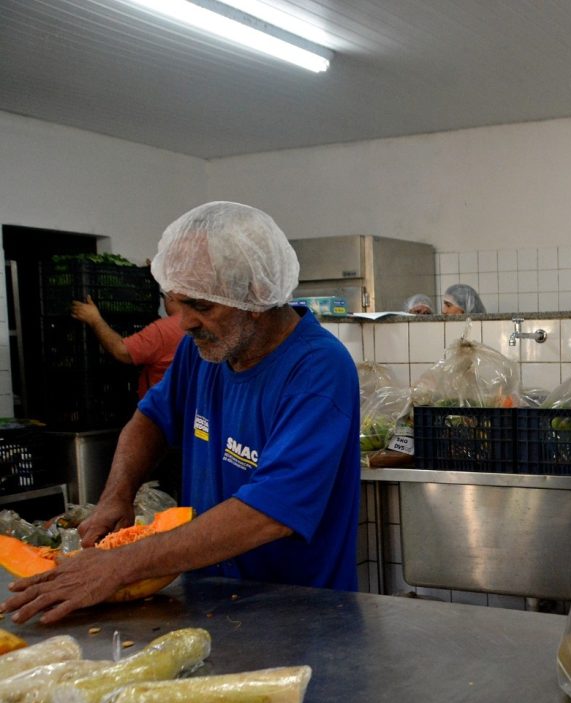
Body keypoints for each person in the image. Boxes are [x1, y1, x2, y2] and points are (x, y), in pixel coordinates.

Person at [3, 201, 362, 624]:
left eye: (202, 306)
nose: (184, 323)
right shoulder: (204, 352)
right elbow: (150, 419)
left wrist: (121, 564)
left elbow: (271, 512)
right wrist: (117, 495)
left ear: (255, 296)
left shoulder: (318, 369)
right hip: (208, 600)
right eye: (176, 304)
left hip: (299, 612)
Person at [71, 288, 184, 399]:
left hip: (163, 410)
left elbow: (122, 352)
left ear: (172, 298)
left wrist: (94, 319)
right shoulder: (198, 324)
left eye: (163, 296)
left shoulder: (164, 330)